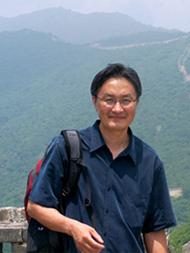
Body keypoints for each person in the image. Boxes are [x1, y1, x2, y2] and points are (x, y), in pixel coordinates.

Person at [27, 63, 177, 253]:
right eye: (109, 100)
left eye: (126, 100)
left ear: (136, 103)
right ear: (95, 102)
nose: (117, 108)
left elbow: (154, 230)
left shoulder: (149, 161)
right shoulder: (67, 148)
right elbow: (36, 206)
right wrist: (72, 227)